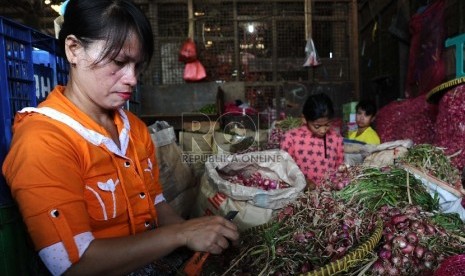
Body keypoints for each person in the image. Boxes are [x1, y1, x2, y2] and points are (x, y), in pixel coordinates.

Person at [1, 1, 239, 275]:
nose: (132, 79)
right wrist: (181, 235)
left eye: (137, 66)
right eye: (119, 62)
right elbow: (73, 265)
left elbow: (155, 202)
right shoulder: (43, 142)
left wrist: (193, 238)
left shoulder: (134, 129)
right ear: (73, 49)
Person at [280, 93, 344, 186]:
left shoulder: (336, 139)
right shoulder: (291, 138)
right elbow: (284, 168)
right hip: (299, 194)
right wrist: (303, 182)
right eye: (317, 126)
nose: (322, 130)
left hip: (328, 196)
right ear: (304, 119)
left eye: (327, 124)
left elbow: (340, 169)